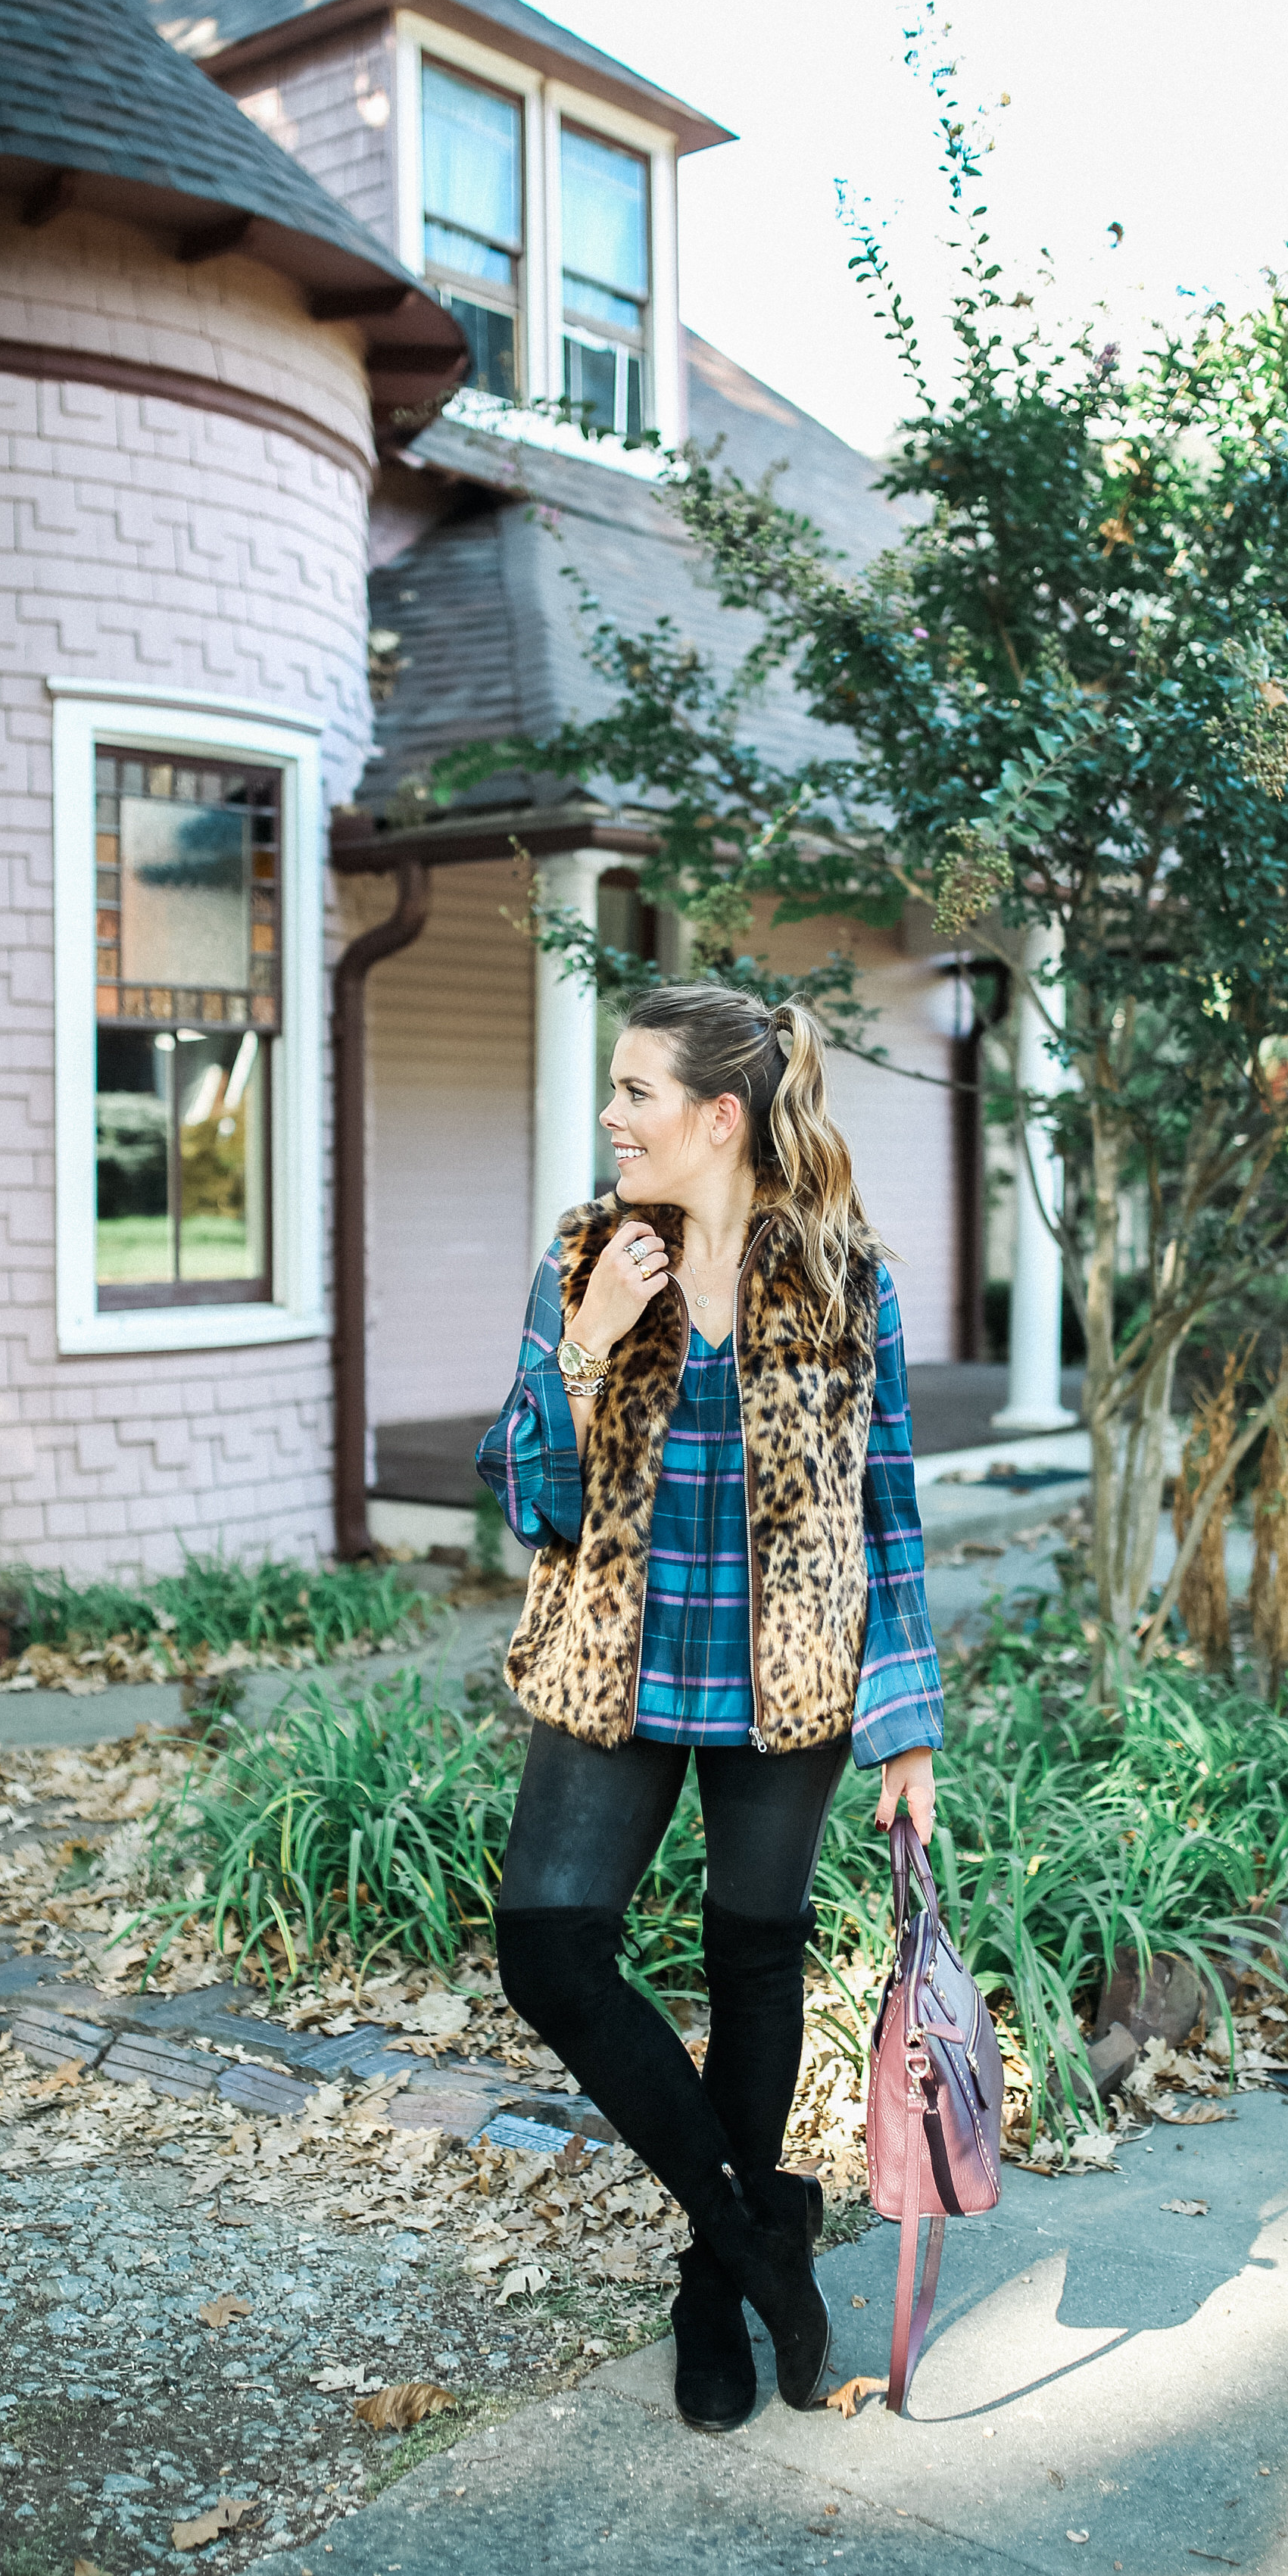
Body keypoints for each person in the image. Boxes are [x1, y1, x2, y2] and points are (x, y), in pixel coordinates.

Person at [476, 982, 941, 2431]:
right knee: (549, 1951)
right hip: (615, 1661)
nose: (610, 1119)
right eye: (612, 1094)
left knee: (755, 1965)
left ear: (719, 1116)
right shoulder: (586, 1261)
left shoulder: (846, 1278)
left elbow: (893, 1509)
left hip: (783, 1682)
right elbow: (527, 1498)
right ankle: (760, 2240)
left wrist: (907, 1723)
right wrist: (588, 1344)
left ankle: (707, 2284)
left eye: (636, 1094)